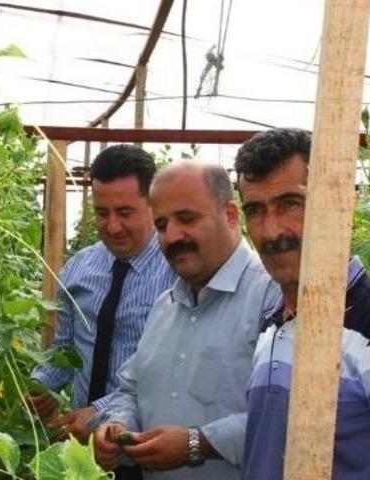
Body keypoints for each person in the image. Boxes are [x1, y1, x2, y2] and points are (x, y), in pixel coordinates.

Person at [234, 128, 370, 479]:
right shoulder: (275, 322)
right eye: (255, 210)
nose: (271, 231)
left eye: (291, 204)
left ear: (337, 201)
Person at [92, 162, 280, 480]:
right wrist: (117, 426)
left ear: (231, 215)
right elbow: (131, 390)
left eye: (187, 219)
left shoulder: (271, 297)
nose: (172, 236)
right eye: (162, 224)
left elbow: (288, 414)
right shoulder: (166, 306)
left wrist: (198, 443)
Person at [29, 144, 176, 479]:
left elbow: (168, 369)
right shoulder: (80, 267)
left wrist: (99, 411)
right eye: (101, 212)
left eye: (125, 213)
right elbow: (66, 348)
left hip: (144, 447)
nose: (112, 226)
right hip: (81, 446)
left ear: (153, 205)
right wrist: (41, 385)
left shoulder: (176, 273)